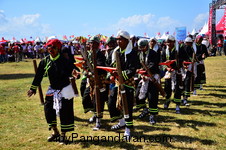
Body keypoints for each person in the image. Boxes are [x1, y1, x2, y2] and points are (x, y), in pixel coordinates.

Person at [27, 38, 80, 143]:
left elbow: (75, 71)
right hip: (53, 89)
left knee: (65, 112)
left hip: (65, 88)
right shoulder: (45, 61)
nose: (51, 49)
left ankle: (63, 135)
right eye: (49, 47)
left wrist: (76, 74)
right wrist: (33, 89)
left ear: (58, 48)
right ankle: (55, 132)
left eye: (54, 47)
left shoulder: (65, 61)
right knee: (48, 110)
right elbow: (39, 76)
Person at [108, 30, 139, 138]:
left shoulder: (132, 53)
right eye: (117, 39)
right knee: (112, 102)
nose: (118, 41)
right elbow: (111, 66)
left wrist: (122, 75)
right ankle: (121, 122)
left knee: (127, 106)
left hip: (128, 82)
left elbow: (133, 69)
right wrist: (111, 75)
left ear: (127, 41)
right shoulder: (115, 52)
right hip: (117, 81)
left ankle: (128, 129)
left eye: (120, 39)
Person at [82, 36, 108, 130]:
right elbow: (86, 66)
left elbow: (101, 68)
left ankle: (98, 120)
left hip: (99, 80)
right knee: (87, 97)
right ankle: (94, 114)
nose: (91, 45)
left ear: (97, 44)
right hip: (91, 80)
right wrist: (86, 71)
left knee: (99, 100)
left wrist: (91, 72)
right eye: (90, 43)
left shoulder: (100, 54)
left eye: (93, 43)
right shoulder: (89, 54)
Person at [135, 39, 160, 124]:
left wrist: (145, 71)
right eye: (140, 47)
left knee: (152, 97)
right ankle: (145, 110)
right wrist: (140, 72)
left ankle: (152, 116)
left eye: (143, 47)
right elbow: (138, 64)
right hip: (143, 77)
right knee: (137, 94)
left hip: (153, 77)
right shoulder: (140, 54)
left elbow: (153, 65)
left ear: (147, 46)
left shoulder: (153, 53)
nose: (141, 48)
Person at [162, 35, 183, 113]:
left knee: (177, 89)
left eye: (170, 42)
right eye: (167, 42)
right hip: (168, 72)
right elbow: (162, 61)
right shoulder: (164, 50)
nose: (168, 44)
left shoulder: (179, 50)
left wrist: (175, 62)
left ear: (174, 42)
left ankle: (177, 105)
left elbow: (183, 59)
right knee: (167, 87)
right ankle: (167, 101)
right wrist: (167, 68)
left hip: (177, 71)